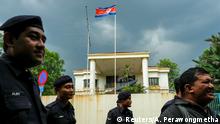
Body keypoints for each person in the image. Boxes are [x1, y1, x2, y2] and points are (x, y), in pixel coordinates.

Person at [0, 15, 47, 124]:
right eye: (34, 37)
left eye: (43, 40)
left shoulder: (31, 80)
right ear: (10, 40)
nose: (42, 45)